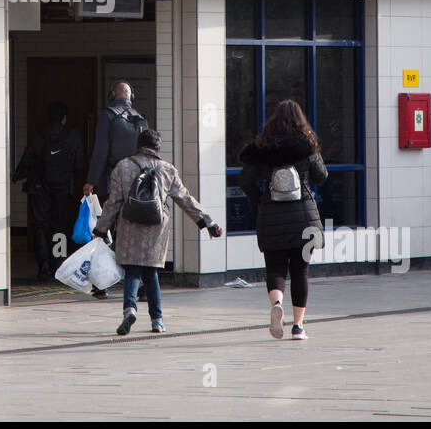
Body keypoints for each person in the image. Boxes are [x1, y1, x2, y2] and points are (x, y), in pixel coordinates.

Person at [91, 127, 221, 335]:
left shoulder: (123, 166)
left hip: (130, 224)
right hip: (156, 228)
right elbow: (185, 199)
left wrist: (100, 229)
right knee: (151, 273)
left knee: (132, 270)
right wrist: (208, 223)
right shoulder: (167, 170)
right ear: (158, 147)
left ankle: (129, 310)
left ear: (138, 145)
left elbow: (113, 203)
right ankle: (157, 321)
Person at [238, 99, 325, 341]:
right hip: (304, 218)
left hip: (272, 216)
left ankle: (277, 303)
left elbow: (245, 181)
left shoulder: (261, 148)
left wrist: (260, 199)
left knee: (275, 268)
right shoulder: (308, 146)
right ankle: (298, 327)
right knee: (300, 272)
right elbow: (322, 177)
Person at [82, 82, 148, 298]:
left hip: (113, 181)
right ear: (131, 97)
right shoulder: (140, 118)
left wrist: (91, 180)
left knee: (104, 231)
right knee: (129, 232)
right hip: (137, 184)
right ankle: (140, 284)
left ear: (113, 96)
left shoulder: (108, 115)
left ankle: (102, 284)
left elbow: (101, 149)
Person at [12, 100, 84, 281]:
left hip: (39, 189)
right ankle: (57, 264)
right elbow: (79, 164)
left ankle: (43, 266)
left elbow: (27, 160)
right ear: (64, 119)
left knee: (40, 227)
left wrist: (17, 176)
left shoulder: (38, 135)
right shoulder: (73, 136)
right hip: (62, 189)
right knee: (59, 227)